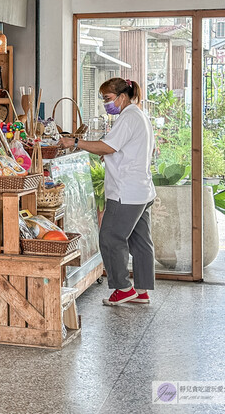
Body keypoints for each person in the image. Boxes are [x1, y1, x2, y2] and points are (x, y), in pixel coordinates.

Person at [59, 77, 155, 307]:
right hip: (142, 191)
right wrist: (111, 155)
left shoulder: (128, 117)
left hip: (126, 192)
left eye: (108, 98)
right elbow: (127, 149)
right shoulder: (139, 115)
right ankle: (141, 290)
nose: (106, 104)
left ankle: (123, 288)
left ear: (122, 96)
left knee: (110, 237)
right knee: (140, 241)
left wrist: (75, 142)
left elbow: (107, 146)